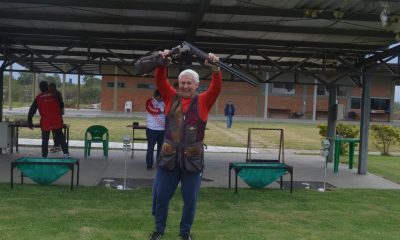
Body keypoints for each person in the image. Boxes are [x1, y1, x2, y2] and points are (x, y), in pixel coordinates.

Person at [148, 51, 221, 240]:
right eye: (183, 82)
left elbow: (216, 87)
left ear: (196, 85)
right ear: (178, 84)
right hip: (169, 157)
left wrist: (215, 67)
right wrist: (162, 62)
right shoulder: (170, 97)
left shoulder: (204, 100)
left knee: (190, 201)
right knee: (161, 198)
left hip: (193, 160)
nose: (186, 86)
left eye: (189, 83)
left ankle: (185, 232)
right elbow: (160, 80)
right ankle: (159, 230)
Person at [28, 81, 69, 158]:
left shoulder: (38, 98)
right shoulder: (55, 95)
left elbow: (32, 110)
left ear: (40, 88)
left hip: (46, 122)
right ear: (47, 87)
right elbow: (61, 105)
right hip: (56, 120)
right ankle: (66, 154)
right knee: (61, 138)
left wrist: (29, 121)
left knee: (45, 139)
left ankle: (44, 156)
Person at [145, 89, 165, 169]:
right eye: (159, 97)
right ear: (156, 96)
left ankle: (159, 164)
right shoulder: (149, 101)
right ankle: (149, 165)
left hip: (163, 129)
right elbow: (152, 111)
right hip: (151, 129)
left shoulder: (165, 101)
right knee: (150, 148)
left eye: (162, 97)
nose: (161, 98)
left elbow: (169, 111)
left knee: (161, 149)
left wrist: (163, 111)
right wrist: (163, 110)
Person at [48, 82, 65, 152]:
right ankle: (57, 145)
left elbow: (61, 104)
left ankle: (58, 146)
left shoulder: (56, 94)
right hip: (53, 116)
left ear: (53, 87)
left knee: (58, 131)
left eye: (50, 87)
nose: (49, 89)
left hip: (57, 115)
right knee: (54, 131)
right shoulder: (54, 93)